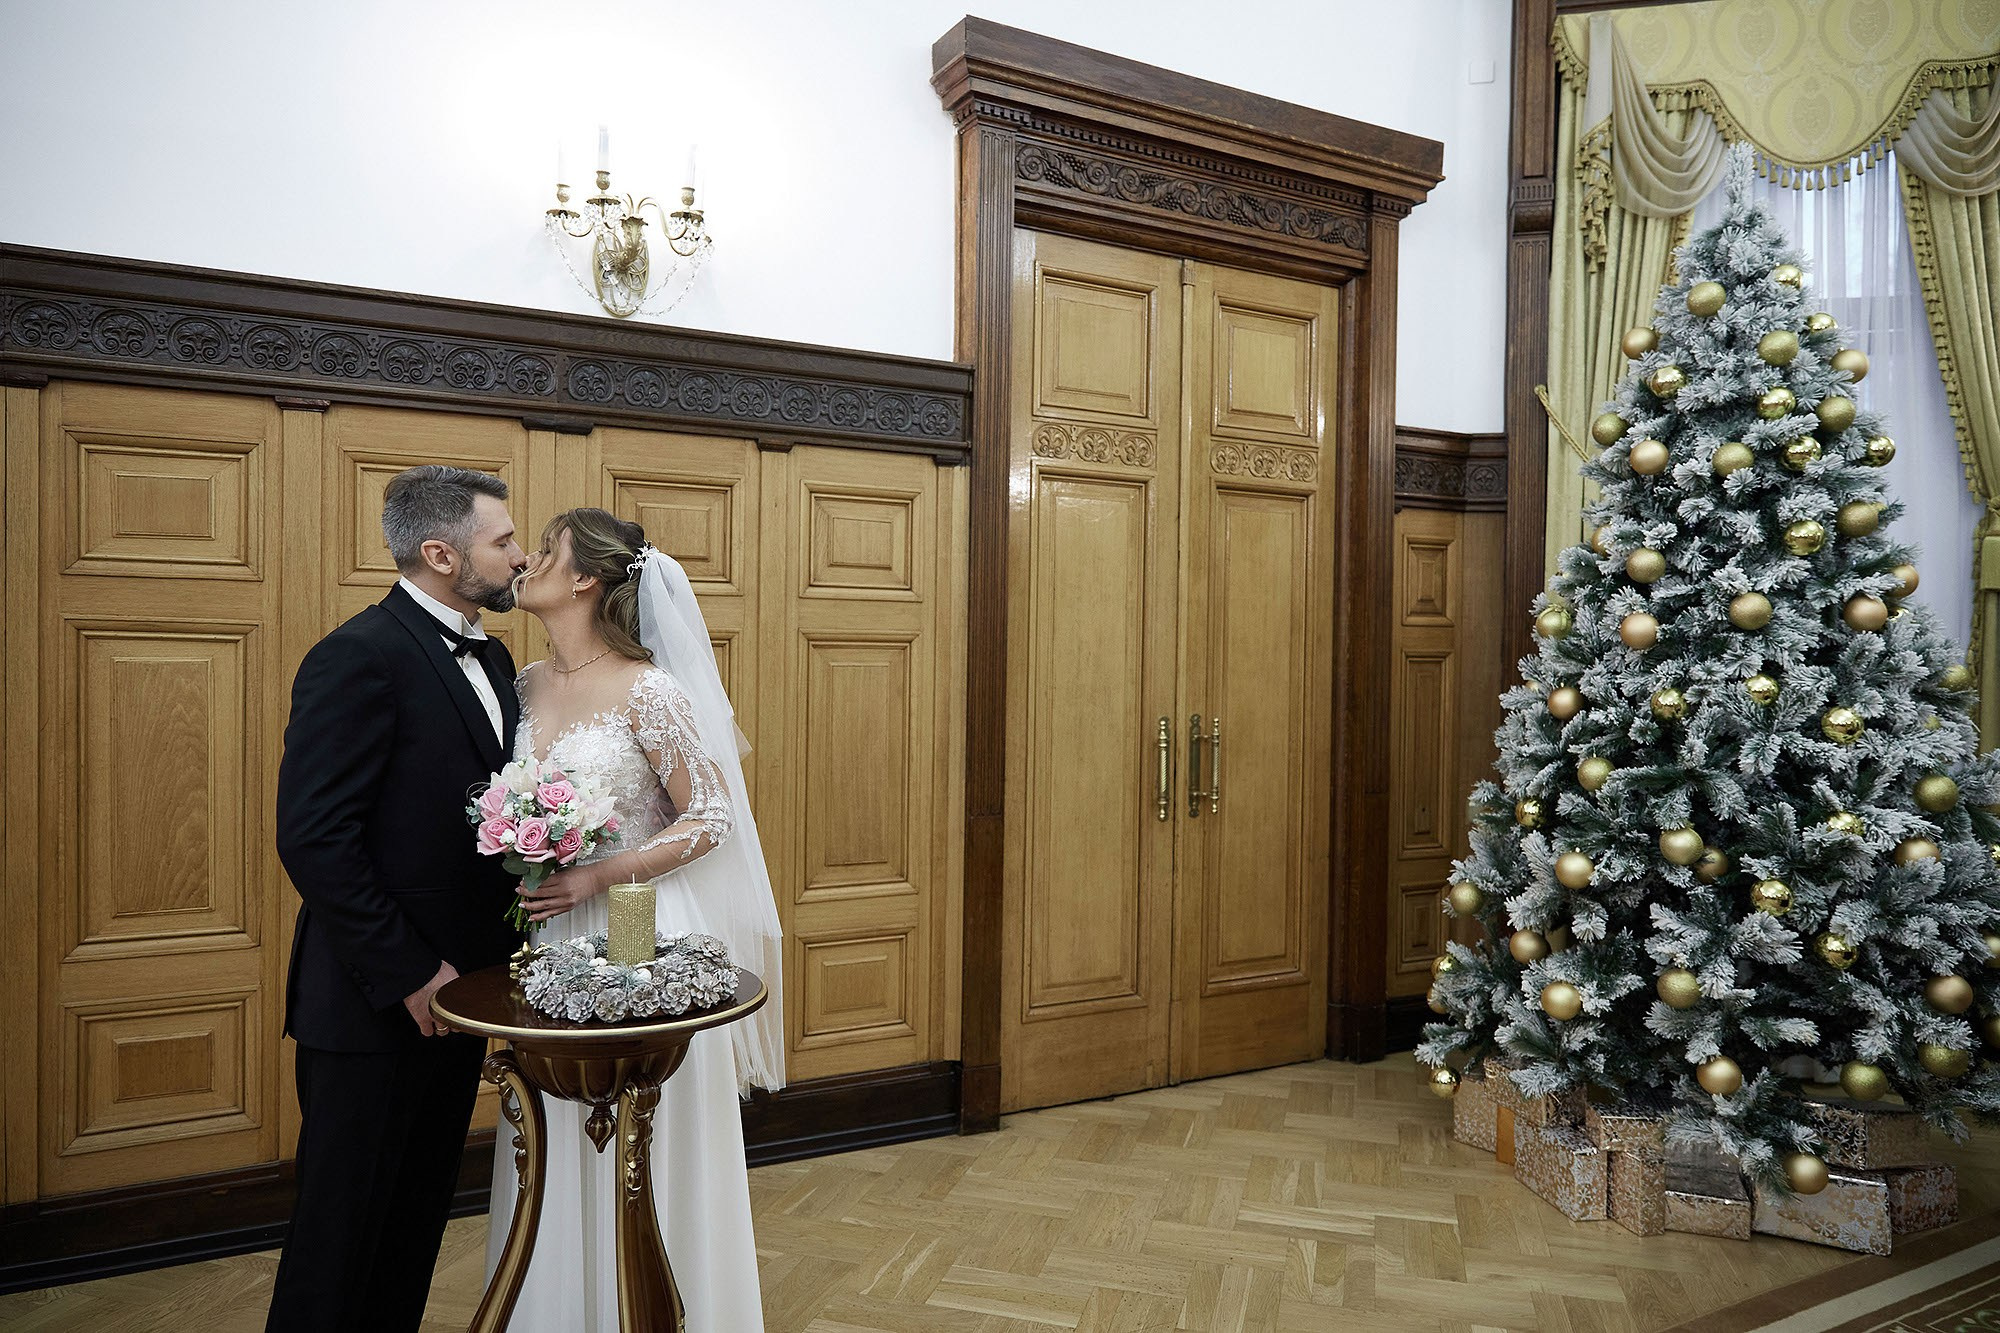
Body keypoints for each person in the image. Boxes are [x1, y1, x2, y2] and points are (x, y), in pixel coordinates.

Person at [491, 507, 784, 1332]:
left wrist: (602, 873)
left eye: (544, 552)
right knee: (552, 1136)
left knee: (644, 1136)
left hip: (638, 930)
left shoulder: (650, 689)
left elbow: (711, 816)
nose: (526, 563)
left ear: (584, 578)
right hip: (551, 935)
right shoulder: (527, 683)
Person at [267, 465, 529, 1332]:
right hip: (372, 1003)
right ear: (441, 553)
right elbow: (315, 838)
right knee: (339, 1238)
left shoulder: (493, 653)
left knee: (414, 1222)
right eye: (502, 541)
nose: (519, 557)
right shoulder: (357, 654)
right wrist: (415, 971)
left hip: (462, 999)